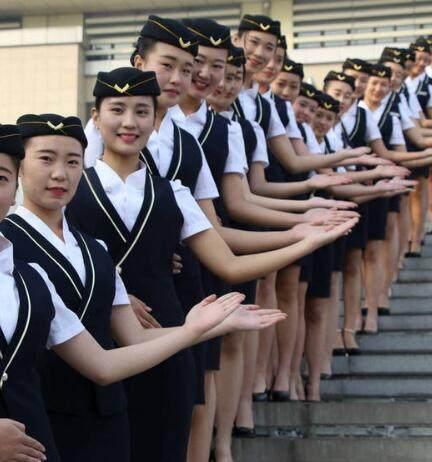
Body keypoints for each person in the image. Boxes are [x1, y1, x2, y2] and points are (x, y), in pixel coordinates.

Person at [66, 66, 357, 461]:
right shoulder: (70, 189)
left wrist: (306, 241)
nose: (129, 122)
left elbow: (229, 265)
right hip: (90, 345)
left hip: (167, 341)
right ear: (96, 117)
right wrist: (112, 296)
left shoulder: (174, 192)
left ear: (155, 118)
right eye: (117, 110)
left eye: (141, 111)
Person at [0, 123, 266, 462]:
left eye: (72, 161)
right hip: (42, 417)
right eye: (46, 159)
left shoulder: (41, 274)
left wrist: (199, 328)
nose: (60, 173)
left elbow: (105, 361)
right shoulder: (22, 246)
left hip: (78, 428)